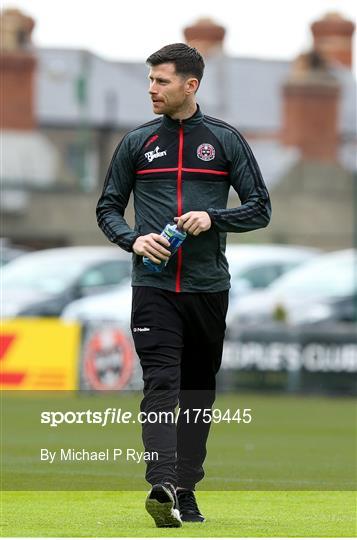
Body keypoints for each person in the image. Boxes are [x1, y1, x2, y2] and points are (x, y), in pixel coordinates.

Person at [96, 43, 271, 528]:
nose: (152, 89)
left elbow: (260, 208)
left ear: (190, 85)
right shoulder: (136, 142)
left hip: (207, 288)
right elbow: (107, 207)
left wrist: (211, 217)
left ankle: (188, 488)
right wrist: (133, 240)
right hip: (152, 288)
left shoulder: (225, 141)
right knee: (160, 383)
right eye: (150, 80)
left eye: (161, 81)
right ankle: (163, 484)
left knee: (197, 392)